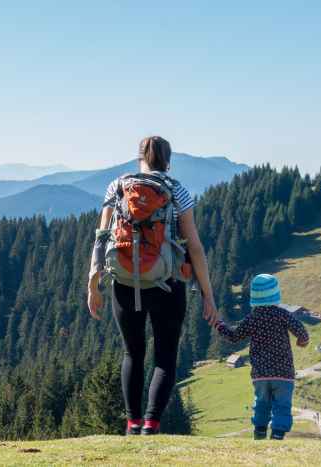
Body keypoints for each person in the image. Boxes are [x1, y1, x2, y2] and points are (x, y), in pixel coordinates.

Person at [87, 136, 219, 435]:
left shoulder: (117, 187)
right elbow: (194, 246)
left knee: (132, 353)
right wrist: (208, 297)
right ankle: (151, 424)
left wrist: (93, 285)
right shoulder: (177, 192)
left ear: (139, 159)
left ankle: (132, 423)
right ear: (168, 161)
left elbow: (102, 236)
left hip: (124, 281)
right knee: (165, 356)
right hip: (167, 284)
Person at [214, 274, 309, 440]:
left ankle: (259, 433)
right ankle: (278, 435)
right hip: (283, 372)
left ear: (254, 297)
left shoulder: (253, 318)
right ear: (276, 294)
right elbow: (301, 332)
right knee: (282, 405)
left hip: (261, 374)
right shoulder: (282, 314)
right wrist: (303, 341)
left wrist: (219, 325)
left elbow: (234, 336)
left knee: (262, 404)